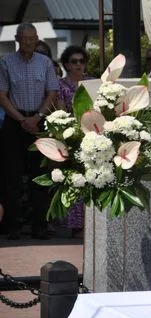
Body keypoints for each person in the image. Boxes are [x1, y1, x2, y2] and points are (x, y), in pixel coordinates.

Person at [0, 22, 58, 240]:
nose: (28, 42)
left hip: (38, 120)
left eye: (32, 38)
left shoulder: (45, 63)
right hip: (15, 122)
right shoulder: (5, 62)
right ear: (17, 39)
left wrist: (37, 117)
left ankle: (40, 226)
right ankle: (12, 226)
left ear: (37, 39)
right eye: (24, 39)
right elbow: (2, 95)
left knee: (40, 176)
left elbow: (51, 92)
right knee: (11, 177)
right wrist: (22, 119)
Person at [57, 45, 93, 238]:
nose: (79, 65)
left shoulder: (92, 82)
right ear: (67, 65)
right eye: (74, 61)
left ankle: (92, 223)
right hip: (73, 136)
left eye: (81, 61)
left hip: (93, 134)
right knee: (76, 180)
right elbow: (62, 111)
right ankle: (77, 226)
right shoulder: (61, 85)